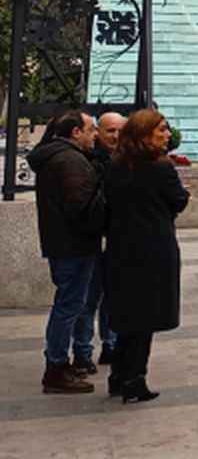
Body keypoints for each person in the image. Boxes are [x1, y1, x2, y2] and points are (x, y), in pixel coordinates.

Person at [102, 109, 190, 402]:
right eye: (162, 130)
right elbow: (178, 201)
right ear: (145, 134)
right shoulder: (161, 169)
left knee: (127, 315)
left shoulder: (116, 166)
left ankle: (119, 374)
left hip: (121, 248)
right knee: (147, 316)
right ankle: (135, 377)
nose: (167, 135)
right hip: (154, 249)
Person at [30, 110, 102, 393]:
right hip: (74, 244)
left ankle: (59, 362)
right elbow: (81, 204)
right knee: (68, 306)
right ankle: (56, 367)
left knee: (68, 304)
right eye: (91, 129)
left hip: (64, 243)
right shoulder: (70, 160)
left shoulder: (55, 156)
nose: (94, 134)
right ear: (76, 132)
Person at [84, 111, 125, 368]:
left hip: (117, 236)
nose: (116, 136)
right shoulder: (88, 158)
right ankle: (83, 350)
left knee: (113, 295)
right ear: (98, 131)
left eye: (120, 131)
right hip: (90, 236)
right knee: (89, 298)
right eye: (110, 131)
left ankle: (110, 343)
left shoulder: (125, 159)